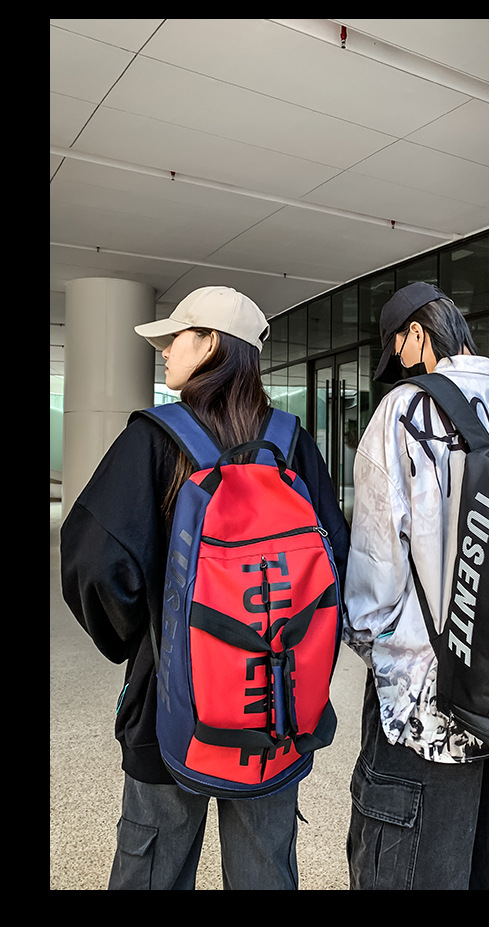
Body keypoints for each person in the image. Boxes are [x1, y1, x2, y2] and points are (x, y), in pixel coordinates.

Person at [60, 285, 349, 891]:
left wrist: (143, 635)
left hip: (168, 709)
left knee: (153, 866)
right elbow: (336, 561)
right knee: (266, 868)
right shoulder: (292, 444)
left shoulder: (153, 438)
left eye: (176, 338)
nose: (165, 351)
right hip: (274, 706)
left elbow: (94, 561)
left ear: (211, 342)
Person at [343, 282, 489, 890]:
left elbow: (375, 569)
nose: (403, 368)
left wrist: (379, 653)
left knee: (415, 870)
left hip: (429, 694)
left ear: (416, 334)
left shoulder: (403, 412)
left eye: (398, 351)